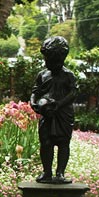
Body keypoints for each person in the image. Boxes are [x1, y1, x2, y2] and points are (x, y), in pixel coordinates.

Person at [29, 36, 78, 184]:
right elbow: (35, 92)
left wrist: (60, 104)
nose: (46, 62)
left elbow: (73, 93)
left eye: (49, 59)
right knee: (46, 142)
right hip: (47, 114)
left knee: (63, 143)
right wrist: (33, 103)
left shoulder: (68, 75)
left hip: (63, 114)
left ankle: (60, 173)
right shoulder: (43, 75)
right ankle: (47, 172)